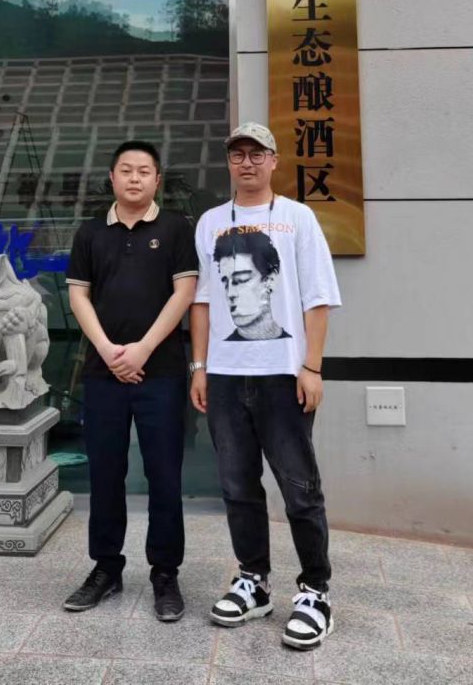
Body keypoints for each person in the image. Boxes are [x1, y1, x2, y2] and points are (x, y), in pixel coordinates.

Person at [190, 122, 341, 650]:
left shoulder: (298, 218)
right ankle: (253, 580)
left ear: (274, 161)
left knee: (300, 489)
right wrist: (200, 367)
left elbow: (318, 298)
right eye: (238, 154)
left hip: (283, 375)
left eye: (257, 154)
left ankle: (315, 591)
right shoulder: (211, 223)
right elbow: (202, 301)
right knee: (237, 486)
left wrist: (312, 367)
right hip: (226, 376)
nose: (247, 163)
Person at [63, 140, 198, 621]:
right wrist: (106, 349)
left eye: (144, 171)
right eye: (126, 170)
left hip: (161, 373)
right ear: (113, 178)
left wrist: (142, 349)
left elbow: (185, 292)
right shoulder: (90, 232)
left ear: (157, 180)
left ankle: (165, 573)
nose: (135, 178)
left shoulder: (177, 228)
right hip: (104, 374)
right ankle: (106, 568)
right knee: (105, 474)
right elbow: (79, 296)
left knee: (164, 475)